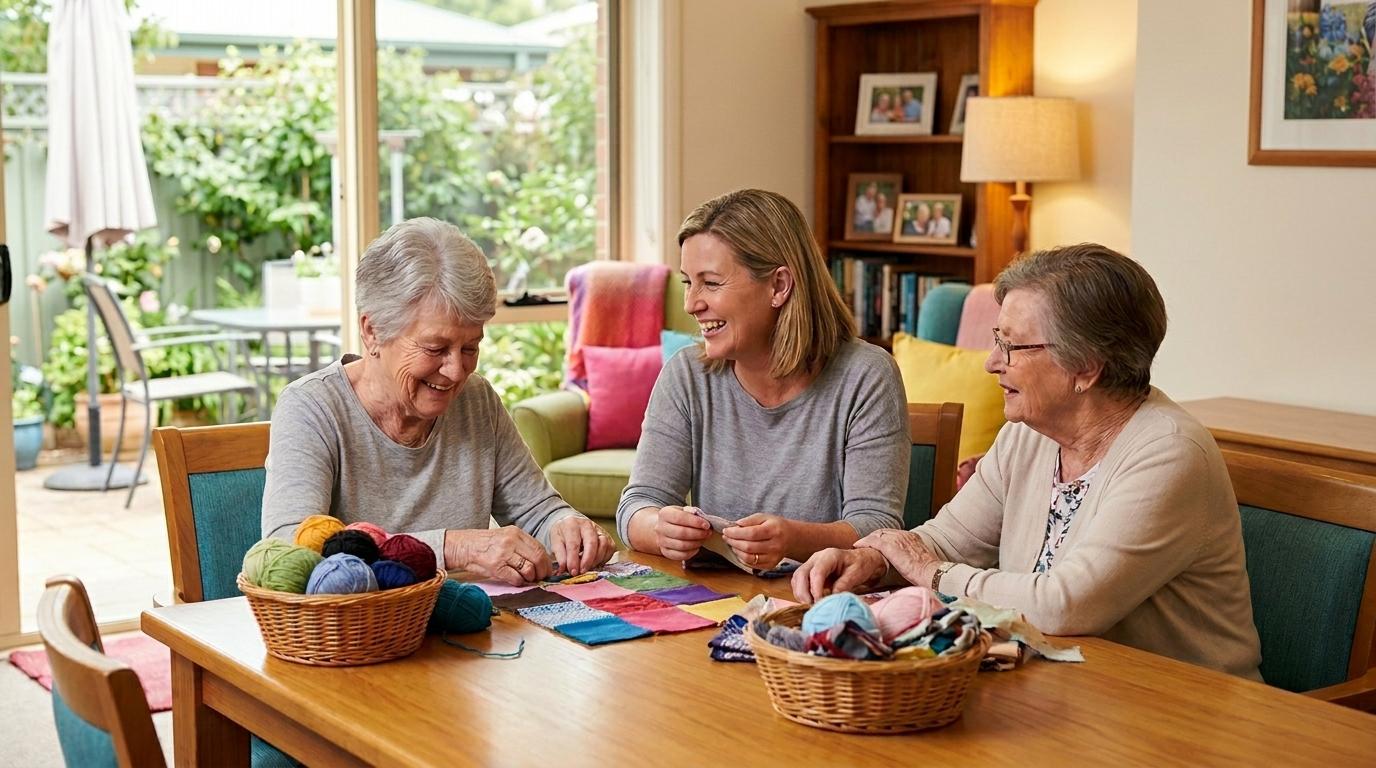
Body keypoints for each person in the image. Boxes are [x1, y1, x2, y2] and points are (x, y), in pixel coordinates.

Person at [793, 243, 1263, 679]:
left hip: (1183, 712)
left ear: (1085, 367)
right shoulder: (1029, 435)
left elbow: (1064, 606)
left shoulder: (1169, 454)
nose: (991, 363)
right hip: (1067, 694)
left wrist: (929, 572)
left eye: (1011, 347)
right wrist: (871, 561)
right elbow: (948, 540)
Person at [262, 217, 614, 586]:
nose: (456, 370)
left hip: (465, 631)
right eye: (435, 348)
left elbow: (538, 510)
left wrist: (567, 528)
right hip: (358, 637)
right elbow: (290, 551)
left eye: (470, 348)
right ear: (372, 332)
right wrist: (452, 548)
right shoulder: (311, 409)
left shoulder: (477, 401)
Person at [616, 189, 908, 571]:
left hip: (819, 605)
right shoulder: (686, 374)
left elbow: (878, 529)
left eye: (712, 283)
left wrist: (793, 539)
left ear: (779, 286)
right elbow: (636, 505)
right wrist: (660, 527)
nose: (691, 304)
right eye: (689, 282)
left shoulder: (867, 377)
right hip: (712, 603)